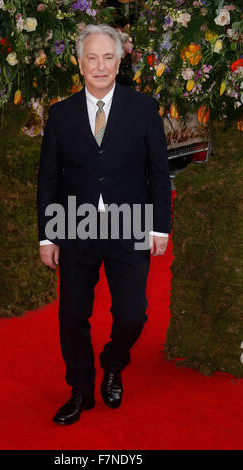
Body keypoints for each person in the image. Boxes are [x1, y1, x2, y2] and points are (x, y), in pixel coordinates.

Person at [37, 24, 171, 425]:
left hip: (130, 223)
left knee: (133, 315)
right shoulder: (60, 114)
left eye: (107, 57)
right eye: (91, 58)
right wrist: (47, 234)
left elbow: (158, 172)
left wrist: (160, 227)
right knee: (72, 315)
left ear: (119, 61)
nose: (100, 65)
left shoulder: (143, 108)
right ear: (80, 64)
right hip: (74, 224)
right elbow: (48, 178)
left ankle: (113, 361)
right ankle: (80, 389)